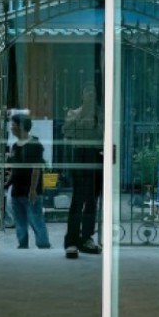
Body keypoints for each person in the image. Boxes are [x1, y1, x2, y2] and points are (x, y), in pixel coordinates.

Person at [62, 83, 104, 259]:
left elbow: (102, 134)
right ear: (82, 95)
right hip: (80, 155)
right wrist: (83, 118)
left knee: (92, 200)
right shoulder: (73, 113)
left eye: (93, 92)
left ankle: (87, 238)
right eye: (88, 92)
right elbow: (68, 132)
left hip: (96, 155)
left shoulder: (101, 114)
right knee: (78, 200)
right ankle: (72, 240)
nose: (91, 95)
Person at [7, 114, 51, 249]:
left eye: (13, 125)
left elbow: (36, 168)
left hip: (31, 191)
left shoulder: (35, 144)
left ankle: (43, 245)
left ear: (21, 126)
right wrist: (8, 183)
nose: (11, 128)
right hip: (17, 190)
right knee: (20, 221)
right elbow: (13, 168)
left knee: (36, 220)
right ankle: (22, 244)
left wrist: (33, 190)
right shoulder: (15, 146)